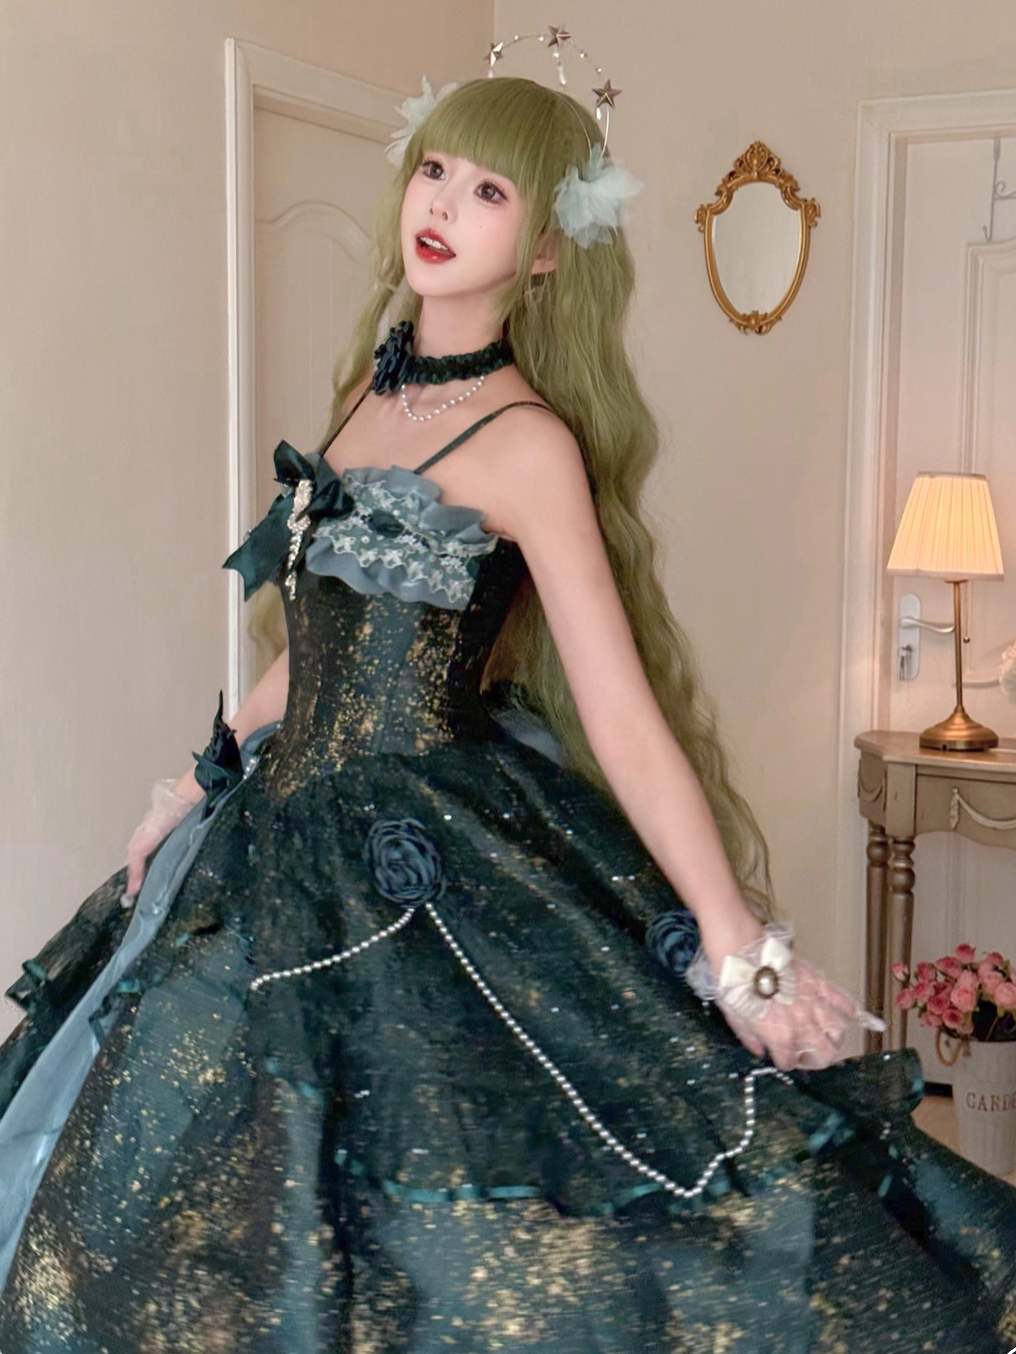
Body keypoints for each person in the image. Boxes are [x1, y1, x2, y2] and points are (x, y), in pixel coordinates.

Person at [1, 69, 1014, 1354]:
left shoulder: (530, 442)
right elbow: (310, 652)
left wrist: (740, 955)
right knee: (193, 1186)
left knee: (446, 1224)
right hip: (271, 837)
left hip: (424, 853)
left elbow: (623, 717)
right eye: (434, 171)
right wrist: (188, 786)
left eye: (489, 191)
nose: (442, 205)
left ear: (542, 249)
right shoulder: (365, 397)